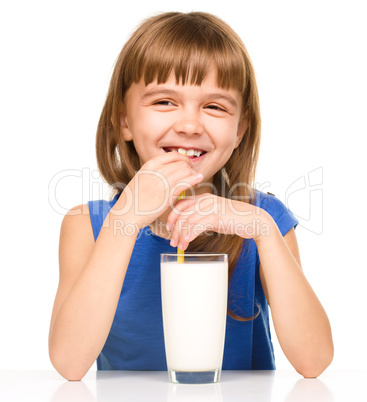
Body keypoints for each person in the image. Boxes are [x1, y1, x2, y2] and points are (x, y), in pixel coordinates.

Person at [48, 11, 334, 381]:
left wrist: (263, 230)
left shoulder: (264, 219)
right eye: (164, 102)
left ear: (240, 129)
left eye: (214, 106)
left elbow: (314, 361)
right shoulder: (88, 225)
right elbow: (69, 364)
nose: (189, 125)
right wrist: (126, 218)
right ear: (124, 120)